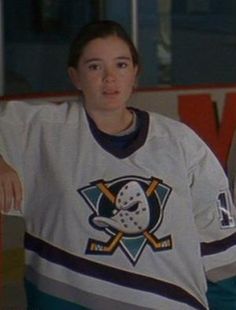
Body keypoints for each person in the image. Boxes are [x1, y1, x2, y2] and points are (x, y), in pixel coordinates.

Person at [0, 20, 235, 310]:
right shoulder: (39, 132)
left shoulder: (181, 143)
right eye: (95, 66)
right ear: (75, 76)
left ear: (135, 73)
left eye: (121, 65)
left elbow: (221, 251)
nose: (109, 78)